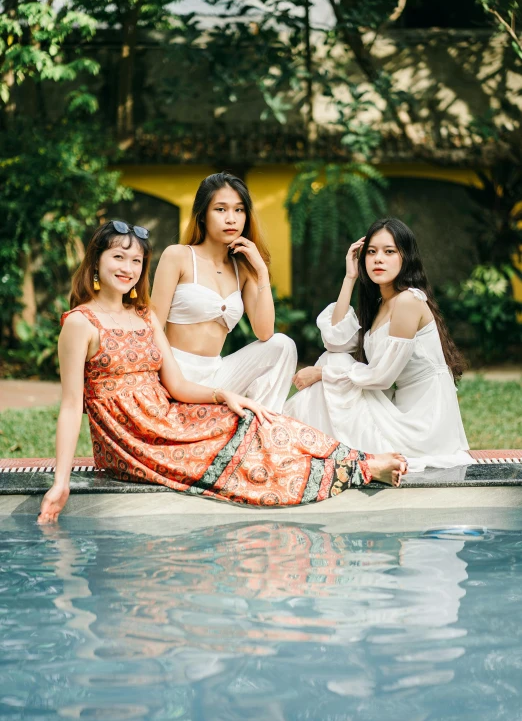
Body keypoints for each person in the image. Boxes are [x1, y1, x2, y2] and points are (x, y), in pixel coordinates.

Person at [38, 220, 408, 523]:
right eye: (118, 257)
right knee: (238, 457)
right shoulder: (80, 324)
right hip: (133, 441)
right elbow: (72, 407)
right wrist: (61, 482)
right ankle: (359, 468)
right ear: (96, 262)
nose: (128, 269)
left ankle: (359, 462)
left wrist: (224, 395)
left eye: (136, 262)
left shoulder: (145, 315)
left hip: (169, 418)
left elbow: (177, 385)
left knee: (255, 420)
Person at [284, 217, 473, 472]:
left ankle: (291, 440)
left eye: (389, 251)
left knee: (333, 367)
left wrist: (321, 374)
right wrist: (350, 277)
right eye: (371, 252)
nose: (378, 259)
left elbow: (382, 378)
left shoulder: (408, 301)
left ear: (405, 257)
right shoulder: (381, 304)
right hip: (398, 408)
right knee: (336, 358)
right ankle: (296, 440)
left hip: (423, 424)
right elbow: (336, 341)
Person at [151, 172, 296, 412]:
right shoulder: (178, 256)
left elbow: (265, 332)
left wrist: (260, 270)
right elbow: (153, 325)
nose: (231, 219)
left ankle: (258, 428)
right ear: (202, 216)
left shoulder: (243, 269)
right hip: (176, 373)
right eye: (220, 209)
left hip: (217, 373)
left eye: (239, 210)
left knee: (283, 345)